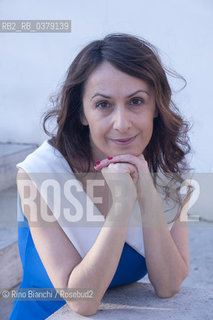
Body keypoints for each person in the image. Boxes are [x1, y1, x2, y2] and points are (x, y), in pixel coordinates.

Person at [10, 33, 192, 319]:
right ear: (82, 113)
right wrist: (121, 205)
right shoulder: (41, 174)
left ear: (156, 106)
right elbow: (82, 302)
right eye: (103, 105)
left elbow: (168, 285)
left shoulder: (167, 172)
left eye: (136, 101)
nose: (122, 123)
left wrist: (147, 193)